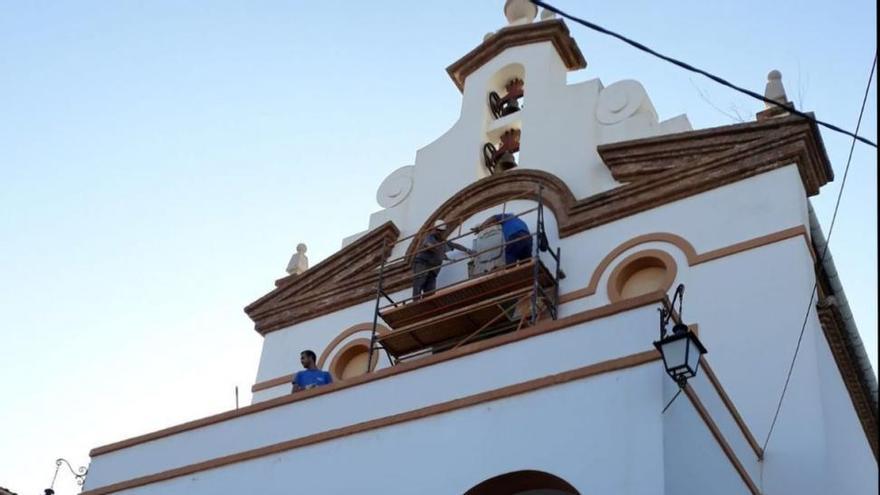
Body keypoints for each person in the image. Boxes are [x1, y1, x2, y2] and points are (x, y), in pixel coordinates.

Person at [412, 219, 473, 298]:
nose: (438, 232)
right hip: (423, 264)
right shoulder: (429, 237)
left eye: (440, 231)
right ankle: (416, 302)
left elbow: (455, 245)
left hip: (433, 268)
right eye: (437, 230)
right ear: (434, 229)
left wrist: (468, 250)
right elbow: (429, 245)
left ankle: (427, 303)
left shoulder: (442, 241)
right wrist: (442, 254)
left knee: (430, 290)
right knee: (419, 282)